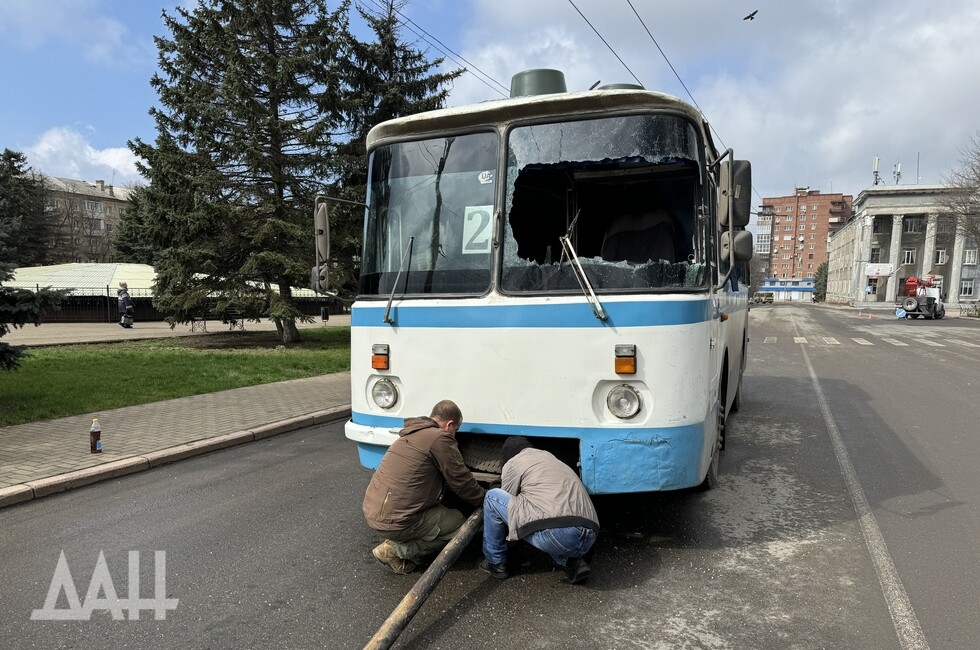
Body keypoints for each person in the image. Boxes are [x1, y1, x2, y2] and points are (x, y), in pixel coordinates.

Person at [362, 400, 485, 574]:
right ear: (449, 424)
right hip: (395, 522)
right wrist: (483, 499)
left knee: (439, 514)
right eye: (455, 430)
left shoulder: (410, 435)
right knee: (458, 524)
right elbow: (460, 480)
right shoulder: (440, 438)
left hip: (373, 512)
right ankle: (395, 551)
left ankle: (400, 541)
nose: (454, 435)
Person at [479, 436, 599, 584]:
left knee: (493, 497)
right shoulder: (553, 460)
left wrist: (511, 544)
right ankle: (573, 562)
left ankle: (496, 562)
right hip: (590, 536)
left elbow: (507, 506)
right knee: (548, 515)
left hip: (560, 534)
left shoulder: (514, 462)